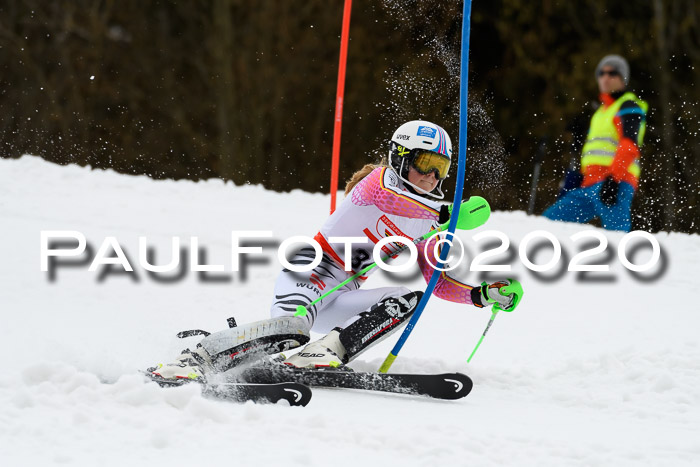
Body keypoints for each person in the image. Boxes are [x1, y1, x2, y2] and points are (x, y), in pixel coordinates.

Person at [150, 120, 518, 381]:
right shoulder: (378, 184)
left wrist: (480, 295)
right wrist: (448, 215)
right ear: (401, 158)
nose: (433, 177)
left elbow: (434, 279)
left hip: (344, 292)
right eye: (425, 164)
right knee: (291, 331)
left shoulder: (428, 220)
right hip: (310, 274)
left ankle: (325, 352)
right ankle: (199, 353)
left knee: (410, 299)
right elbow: (395, 203)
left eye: (441, 168)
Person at [543, 54, 648, 232]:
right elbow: (596, 151)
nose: (605, 78)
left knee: (618, 238)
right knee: (547, 225)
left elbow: (629, 146)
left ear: (622, 78)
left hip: (615, 182)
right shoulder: (600, 112)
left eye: (612, 73)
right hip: (589, 185)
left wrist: (613, 180)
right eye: (601, 73)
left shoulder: (629, 106)